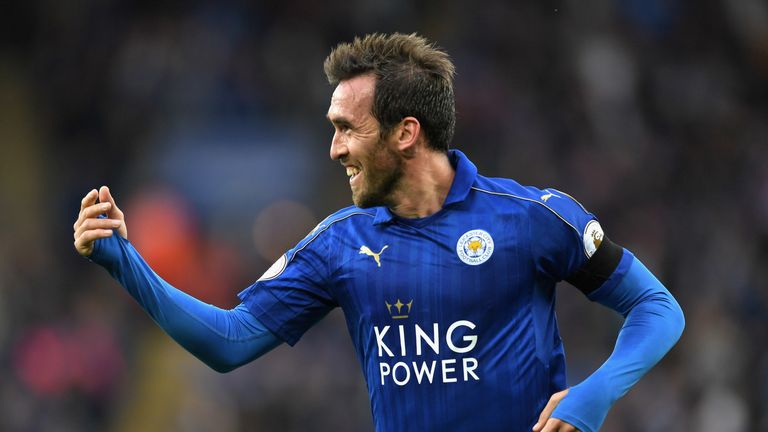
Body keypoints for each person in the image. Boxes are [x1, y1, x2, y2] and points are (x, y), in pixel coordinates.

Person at [73, 33, 684, 432]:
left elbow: (657, 308)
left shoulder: (531, 217)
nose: (334, 148)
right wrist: (122, 260)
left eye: (347, 128)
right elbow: (229, 343)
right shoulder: (338, 243)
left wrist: (595, 394)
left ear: (406, 133)